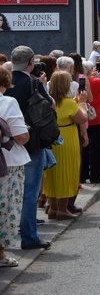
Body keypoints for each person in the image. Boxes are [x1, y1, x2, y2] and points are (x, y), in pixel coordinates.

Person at [5, 46, 54, 251]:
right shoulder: (33, 82)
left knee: (7, 194)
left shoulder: (5, 83)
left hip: (5, 144)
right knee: (29, 192)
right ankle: (29, 237)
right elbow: (49, 105)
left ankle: (7, 236)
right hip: (29, 141)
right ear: (31, 62)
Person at [44, 71, 88, 220]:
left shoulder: (47, 100)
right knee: (67, 172)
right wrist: (82, 103)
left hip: (51, 139)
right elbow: (82, 118)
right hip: (66, 139)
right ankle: (62, 208)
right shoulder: (68, 102)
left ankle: (53, 207)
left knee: (52, 173)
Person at [0, 67, 30, 268]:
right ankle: (1, 254)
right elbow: (21, 137)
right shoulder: (7, 102)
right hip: (8, 162)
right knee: (6, 208)